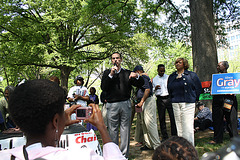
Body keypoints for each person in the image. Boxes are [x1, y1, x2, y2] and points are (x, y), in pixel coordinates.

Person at [1, 79, 126, 160]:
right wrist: (103, 129)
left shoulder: (5, 155)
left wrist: (58, 125)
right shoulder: (82, 156)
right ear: (55, 121)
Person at [101, 52, 144, 158]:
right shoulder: (107, 73)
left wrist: (137, 76)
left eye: (117, 58)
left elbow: (141, 83)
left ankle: (124, 155)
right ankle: (114, 154)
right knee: (112, 130)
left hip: (125, 104)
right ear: (111, 60)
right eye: (113, 58)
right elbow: (104, 88)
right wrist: (111, 75)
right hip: (112, 105)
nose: (115, 60)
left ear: (121, 59)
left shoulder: (127, 73)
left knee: (125, 129)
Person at [167, 58, 202, 145]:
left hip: (188, 103)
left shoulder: (191, 75)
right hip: (175, 102)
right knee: (179, 126)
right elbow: (169, 89)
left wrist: (194, 98)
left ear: (184, 64)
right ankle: (182, 146)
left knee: (188, 126)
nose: (177, 64)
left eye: (179, 62)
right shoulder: (172, 76)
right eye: (176, 62)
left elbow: (198, 88)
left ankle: (189, 147)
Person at [209, 61, 238, 144]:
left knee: (231, 120)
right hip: (217, 100)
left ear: (225, 67)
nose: (217, 67)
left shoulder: (232, 77)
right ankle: (217, 139)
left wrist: (232, 90)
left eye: (219, 65)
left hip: (229, 100)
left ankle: (234, 139)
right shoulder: (215, 78)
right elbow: (211, 90)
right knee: (217, 120)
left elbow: (236, 86)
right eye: (217, 66)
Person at [133, 65, 161, 150]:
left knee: (150, 123)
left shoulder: (144, 77)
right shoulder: (142, 77)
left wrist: (141, 101)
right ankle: (148, 144)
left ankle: (157, 145)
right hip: (143, 102)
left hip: (147, 101)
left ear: (138, 72)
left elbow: (147, 90)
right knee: (144, 123)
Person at [152, 64, 177, 142]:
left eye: (163, 70)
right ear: (158, 70)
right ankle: (164, 136)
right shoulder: (154, 79)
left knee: (172, 117)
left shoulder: (168, 77)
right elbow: (151, 90)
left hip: (169, 98)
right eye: (161, 71)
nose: (162, 72)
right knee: (161, 118)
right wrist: (154, 88)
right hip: (160, 99)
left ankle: (174, 134)